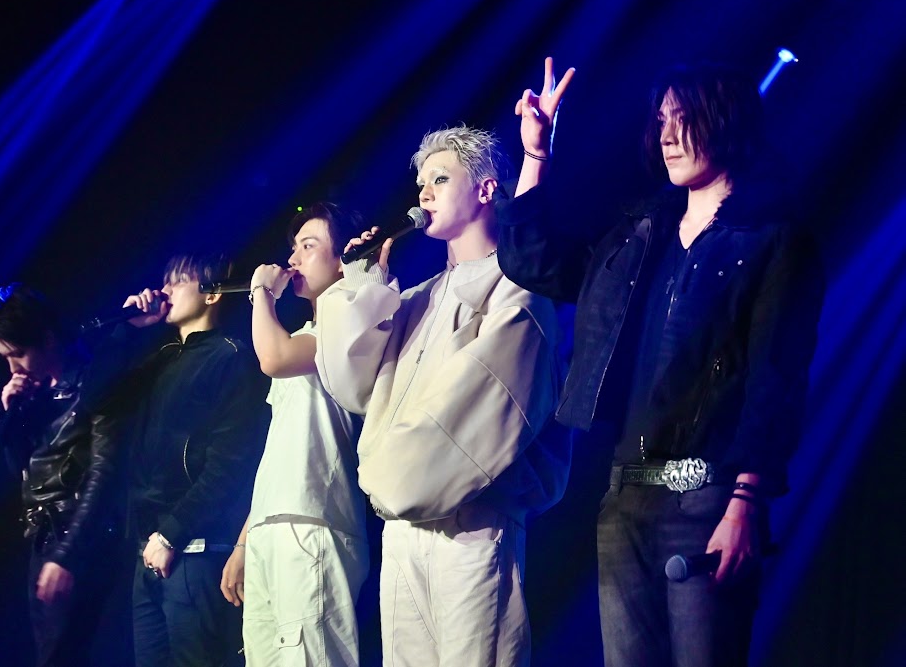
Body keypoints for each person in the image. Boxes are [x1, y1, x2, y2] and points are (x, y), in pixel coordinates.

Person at [495, 57, 824, 666]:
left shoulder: (774, 239)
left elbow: (776, 377)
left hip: (708, 496)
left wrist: (746, 502)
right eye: (662, 120)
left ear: (725, 120)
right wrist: (536, 154)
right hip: (626, 498)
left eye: (683, 119)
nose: (667, 135)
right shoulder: (641, 234)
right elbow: (531, 260)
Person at [314, 126, 572, 666]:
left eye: (439, 179)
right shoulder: (415, 298)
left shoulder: (518, 291)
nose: (423, 193)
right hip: (402, 527)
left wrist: (389, 477)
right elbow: (351, 384)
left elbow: (482, 406)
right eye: (420, 183)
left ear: (486, 189)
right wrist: (361, 285)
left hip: (472, 524)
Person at [99, 251, 270, 667]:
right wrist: (127, 330)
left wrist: (171, 534)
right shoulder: (162, 359)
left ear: (211, 294)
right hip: (149, 552)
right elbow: (97, 402)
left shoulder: (231, 358)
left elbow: (230, 466)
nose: (165, 289)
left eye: (178, 280)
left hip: (195, 552)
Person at [219, 202, 369, 666]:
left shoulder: (354, 320)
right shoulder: (305, 331)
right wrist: (245, 540)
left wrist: (261, 292)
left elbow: (273, 357)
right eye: (294, 247)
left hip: (315, 523)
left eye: (309, 245)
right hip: (272, 526)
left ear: (342, 258)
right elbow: (279, 451)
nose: (294, 258)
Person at [0, 283, 127, 667]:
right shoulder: (39, 395)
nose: (13, 368)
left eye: (18, 354)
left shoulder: (95, 380)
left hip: (82, 539)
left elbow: (104, 471)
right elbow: (22, 473)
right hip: (44, 539)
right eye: (6, 358)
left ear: (46, 339)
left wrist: (67, 554)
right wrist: (13, 414)